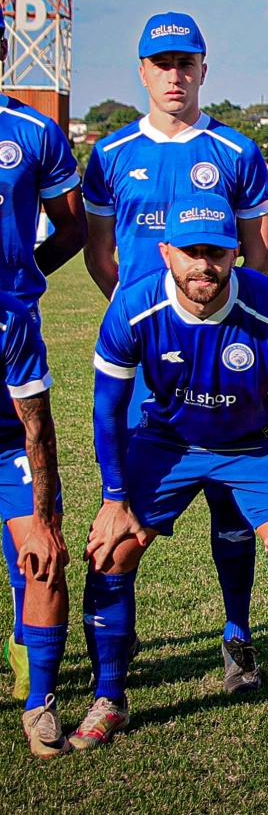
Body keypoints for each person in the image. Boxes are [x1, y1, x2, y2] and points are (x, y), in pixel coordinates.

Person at [71, 197, 268, 755]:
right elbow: (106, 410)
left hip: (256, 443)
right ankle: (109, 697)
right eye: (190, 252)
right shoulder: (135, 305)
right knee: (112, 549)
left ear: (237, 252)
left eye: (215, 251)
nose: (203, 265)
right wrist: (114, 497)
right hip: (170, 440)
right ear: (166, 252)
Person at [82, 12, 268, 695]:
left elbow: (259, 253)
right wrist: (145, 316)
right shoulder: (107, 155)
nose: (174, 73)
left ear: (203, 67)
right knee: (126, 506)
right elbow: (101, 255)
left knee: (231, 506)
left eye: (185, 61)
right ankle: (115, 642)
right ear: (141, 70)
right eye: (160, 62)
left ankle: (236, 636)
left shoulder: (237, 151)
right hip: (146, 356)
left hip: (226, 352)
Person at [0, 11, 87, 701]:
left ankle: (32, 650)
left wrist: (25, 276)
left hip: (11, 329)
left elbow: (73, 228)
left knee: (35, 539)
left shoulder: (33, 132)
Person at [0, 289, 70, 756]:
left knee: (42, 559)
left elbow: (37, 430)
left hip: (9, 448)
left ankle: (39, 703)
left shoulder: (9, 319)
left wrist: (44, 524)